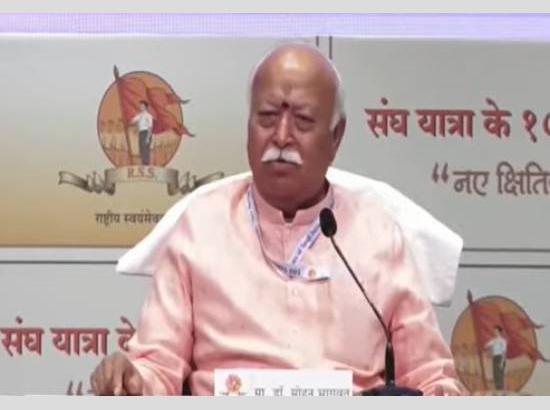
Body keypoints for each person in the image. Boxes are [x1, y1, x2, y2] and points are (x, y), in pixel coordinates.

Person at [90, 43, 464, 396]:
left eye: (302, 121)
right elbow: (158, 364)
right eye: (267, 117)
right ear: (248, 126)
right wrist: (133, 380)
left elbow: (428, 375)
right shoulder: (202, 225)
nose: (281, 137)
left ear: (335, 137)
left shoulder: (376, 232)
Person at [131, 100, 154, 165]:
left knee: (145, 150)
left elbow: (150, 127)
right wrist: (135, 122)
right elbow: (132, 121)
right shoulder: (139, 115)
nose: (141, 107)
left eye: (142, 106)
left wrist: (148, 137)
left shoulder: (149, 116)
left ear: (145, 107)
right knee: (141, 149)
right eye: (140, 106)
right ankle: (143, 164)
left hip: (146, 133)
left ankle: (146, 165)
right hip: (141, 133)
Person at [485, 326, 507, 390]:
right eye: (494, 331)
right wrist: (490, 350)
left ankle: (501, 389)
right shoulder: (493, 341)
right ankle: (497, 389)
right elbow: (486, 346)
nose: (495, 332)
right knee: (495, 374)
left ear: (499, 332)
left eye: (496, 331)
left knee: (500, 374)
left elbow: (504, 352)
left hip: (500, 358)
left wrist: (502, 362)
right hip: (495, 358)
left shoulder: (503, 341)